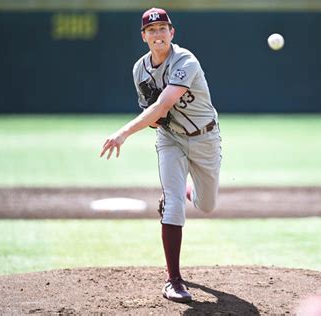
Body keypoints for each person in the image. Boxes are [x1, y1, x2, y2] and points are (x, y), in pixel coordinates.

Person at [99, 7, 222, 303]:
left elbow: (162, 106)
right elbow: (155, 118)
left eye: (162, 29)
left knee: (207, 205)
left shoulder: (186, 61)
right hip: (170, 140)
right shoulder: (139, 69)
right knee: (173, 204)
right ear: (144, 36)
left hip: (205, 138)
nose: (158, 34)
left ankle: (188, 189)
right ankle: (174, 280)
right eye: (151, 30)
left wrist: (124, 132)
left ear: (172, 33)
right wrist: (152, 117)